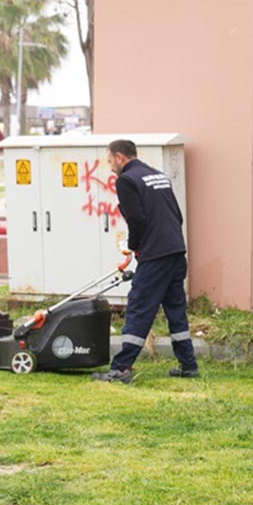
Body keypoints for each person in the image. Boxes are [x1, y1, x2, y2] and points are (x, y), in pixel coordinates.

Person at [92, 139, 198, 384]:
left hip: (155, 255)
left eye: (110, 161)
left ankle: (121, 369)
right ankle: (188, 365)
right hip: (175, 251)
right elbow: (177, 215)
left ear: (120, 157)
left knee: (140, 306)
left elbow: (136, 220)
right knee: (176, 310)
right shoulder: (158, 176)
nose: (110, 167)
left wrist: (133, 245)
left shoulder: (127, 181)